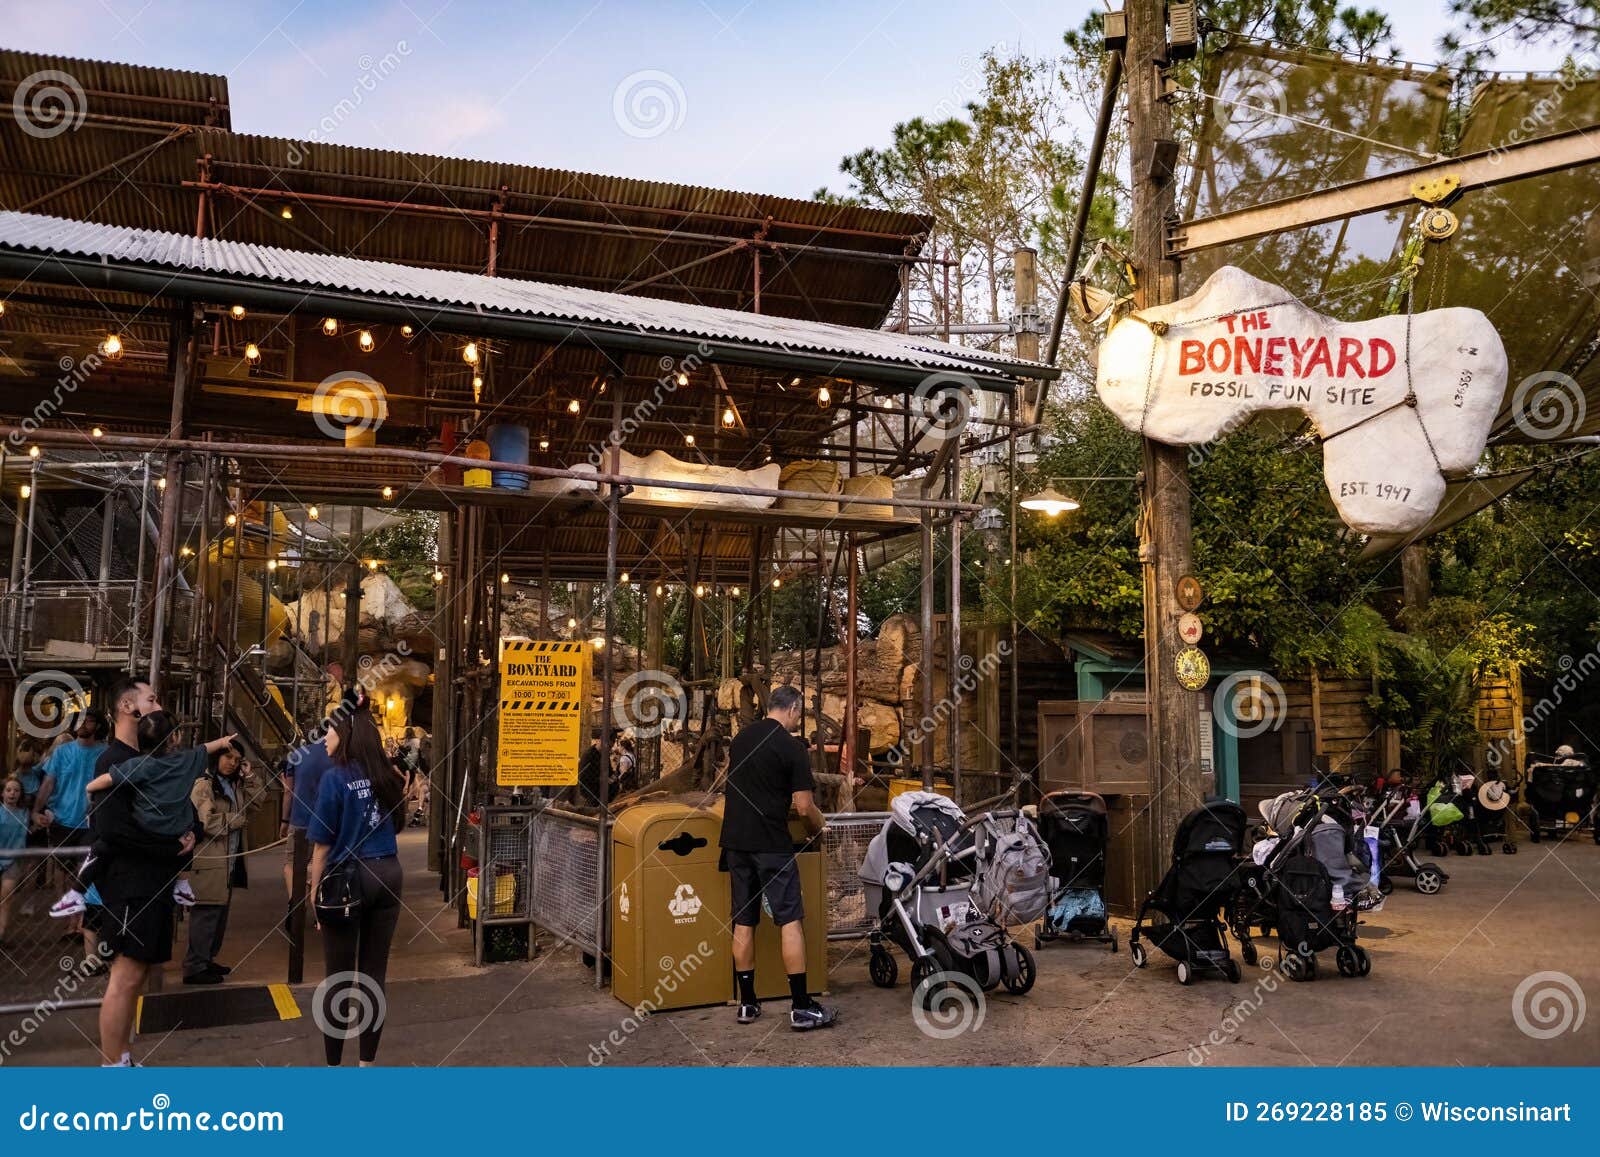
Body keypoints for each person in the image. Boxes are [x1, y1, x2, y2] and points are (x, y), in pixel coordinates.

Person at [89, 677, 195, 1067]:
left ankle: (124, 1057)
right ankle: (113, 1063)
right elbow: (113, 829)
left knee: (139, 974)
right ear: (127, 708)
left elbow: (182, 808)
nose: (157, 704)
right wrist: (169, 846)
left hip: (154, 880)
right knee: (126, 974)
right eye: (151, 699)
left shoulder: (155, 761)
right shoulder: (112, 762)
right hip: (129, 882)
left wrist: (190, 832)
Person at [717, 684, 834, 1032]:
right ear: (795, 708)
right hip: (771, 844)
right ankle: (800, 1007)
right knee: (789, 919)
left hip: (736, 842)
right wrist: (818, 826)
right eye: (802, 713)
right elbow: (803, 806)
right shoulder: (792, 747)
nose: (801, 718)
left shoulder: (741, 739)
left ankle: (748, 1003)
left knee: (743, 919)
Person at [307, 703, 406, 1066]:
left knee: (339, 978)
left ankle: (334, 1067)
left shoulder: (335, 778)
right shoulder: (386, 775)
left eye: (329, 731)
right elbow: (396, 824)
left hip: (348, 880)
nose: (324, 739)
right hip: (389, 873)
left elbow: (321, 848)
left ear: (344, 734)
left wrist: (314, 896)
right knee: (373, 976)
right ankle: (367, 1064)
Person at [184, 743, 257, 985]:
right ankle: (195, 965)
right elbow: (205, 822)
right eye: (228, 757)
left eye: (237, 759)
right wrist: (235, 820)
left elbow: (257, 802)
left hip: (229, 859)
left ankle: (206, 959)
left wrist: (251, 777)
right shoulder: (203, 785)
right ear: (216, 757)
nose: (232, 763)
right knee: (206, 914)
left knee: (219, 915)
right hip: (210, 859)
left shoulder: (235, 784)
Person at [0, 776, 30, 947]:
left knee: (6, 899)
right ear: (2, 793)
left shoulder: (25, 813)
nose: (12, 793)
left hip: (13, 861)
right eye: (9, 790)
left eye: (16, 790)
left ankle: (1, 934)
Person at [576, 727, 605, 807]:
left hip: (596, 791)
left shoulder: (603, 754)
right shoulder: (589, 755)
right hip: (589, 792)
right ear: (598, 740)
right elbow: (583, 776)